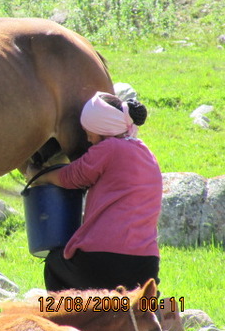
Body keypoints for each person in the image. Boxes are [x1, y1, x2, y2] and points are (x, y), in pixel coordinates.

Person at [30, 91, 162, 292]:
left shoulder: (108, 148)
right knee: (137, 307)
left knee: (55, 264)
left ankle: (69, 320)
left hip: (104, 259)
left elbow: (72, 176)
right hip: (147, 265)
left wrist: (40, 175)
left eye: (89, 133)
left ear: (102, 129)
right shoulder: (146, 153)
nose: (89, 140)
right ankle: (148, 316)